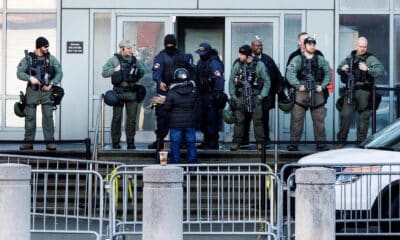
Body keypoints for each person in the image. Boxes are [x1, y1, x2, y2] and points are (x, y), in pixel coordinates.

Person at [336, 37, 385, 147]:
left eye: (364, 47)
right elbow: (339, 69)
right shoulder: (350, 57)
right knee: (346, 116)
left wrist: (367, 69)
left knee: (364, 119)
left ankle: (360, 144)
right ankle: (340, 142)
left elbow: (381, 70)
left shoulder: (370, 58)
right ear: (356, 45)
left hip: (365, 92)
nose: (362, 49)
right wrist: (342, 68)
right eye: (360, 46)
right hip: (351, 91)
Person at [17, 36, 63, 151]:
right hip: (32, 91)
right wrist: (30, 78)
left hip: (46, 91)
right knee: (30, 117)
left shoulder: (51, 59)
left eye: (47, 46)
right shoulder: (28, 59)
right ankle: (28, 142)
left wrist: (52, 84)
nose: (47, 48)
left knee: (48, 116)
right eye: (45, 46)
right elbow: (19, 73)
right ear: (39, 47)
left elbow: (59, 73)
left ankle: (49, 142)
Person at [286, 37, 331, 151]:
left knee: (319, 120)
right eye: (309, 44)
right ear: (304, 46)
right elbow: (290, 74)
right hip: (302, 91)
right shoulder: (297, 59)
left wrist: (323, 86)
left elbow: (328, 73)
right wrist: (298, 85)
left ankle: (321, 144)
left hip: (317, 91)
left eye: (313, 44)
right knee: (297, 119)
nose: (312, 46)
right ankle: (293, 144)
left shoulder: (320, 59)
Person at [148, 34, 193, 150]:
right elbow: (156, 73)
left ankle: (182, 142)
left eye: (171, 44)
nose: (170, 46)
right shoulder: (160, 57)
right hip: (165, 90)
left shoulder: (182, 56)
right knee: (162, 118)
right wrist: (159, 82)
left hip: (180, 92)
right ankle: (160, 141)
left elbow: (190, 71)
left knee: (180, 118)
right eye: (168, 44)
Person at [102, 40, 144, 149]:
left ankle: (130, 141)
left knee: (131, 119)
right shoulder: (114, 60)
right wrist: (115, 70)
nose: (130, 50)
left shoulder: (134, 60)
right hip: (118, 93)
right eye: (128, 48)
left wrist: (138, 70)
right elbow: (104, 73)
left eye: (131, 48)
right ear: (122, 49)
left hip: (132, 93)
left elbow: (144, 71)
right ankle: (115, 142)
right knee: (117, 118)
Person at [242, 39, 285, 146]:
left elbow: (277, 74)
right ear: (251, 46)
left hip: (265, 95)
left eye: (261, 45)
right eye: (257, 45)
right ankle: (244, 141)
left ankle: (264, 141)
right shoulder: (244, 58)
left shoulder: (267, 59)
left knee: (264, 118)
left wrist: (279, 87)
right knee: (246, 117)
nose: (259, 47)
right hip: (248, 94)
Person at [228, 45, 271, 151]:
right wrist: (234, 96)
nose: (239, 56)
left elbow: (267, 81)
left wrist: (261, 96)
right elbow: (231, 81)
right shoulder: (238, 64)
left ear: (247, 56)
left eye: (241, 54)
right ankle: (236, 142)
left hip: (255, 96)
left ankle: (260, 143)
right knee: (239, 121)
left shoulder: (259, 65)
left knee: (258, 121)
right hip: (241, 97)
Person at [164, 68, 198, 163]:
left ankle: (175, 164)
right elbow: (197, 105)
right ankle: (193, 164)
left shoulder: (172, 92)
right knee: (191, 144)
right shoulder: (193, 90)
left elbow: (167, 107)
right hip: (190, 121)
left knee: (175, 144)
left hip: (175, 123)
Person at [195, 42, 225, 150]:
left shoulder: (214, 63)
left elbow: (219, 79)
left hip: (211, 95)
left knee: (212, 120)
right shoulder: (200, 62)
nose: (201, 55)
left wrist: (216, 94)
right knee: (203, 120)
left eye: (203, 53)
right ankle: (206, 140)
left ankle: (213, 142)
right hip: (202, 95)